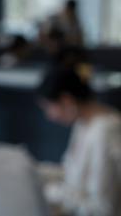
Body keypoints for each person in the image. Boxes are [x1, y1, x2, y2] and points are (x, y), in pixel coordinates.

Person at [37, 65, 121, 216]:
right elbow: (72, 174)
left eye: (49, 107)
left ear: (66, 100)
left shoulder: (105, 131)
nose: (49, 116)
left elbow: (102, 209)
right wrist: (33, 171)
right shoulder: (82, 123)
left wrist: (51, 192)